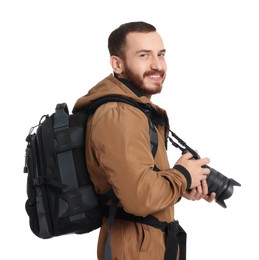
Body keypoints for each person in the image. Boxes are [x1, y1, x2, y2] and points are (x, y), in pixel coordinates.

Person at [73, 21, 216, 260]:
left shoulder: (135, 109)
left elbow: (138, 185)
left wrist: (181, 187)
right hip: (135, 250)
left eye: (160, 54)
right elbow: (139, 198)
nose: (157, 65)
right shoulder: (118, 114)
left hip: (145, 245)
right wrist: (182, 175)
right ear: (117, 64)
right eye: (143, 55)